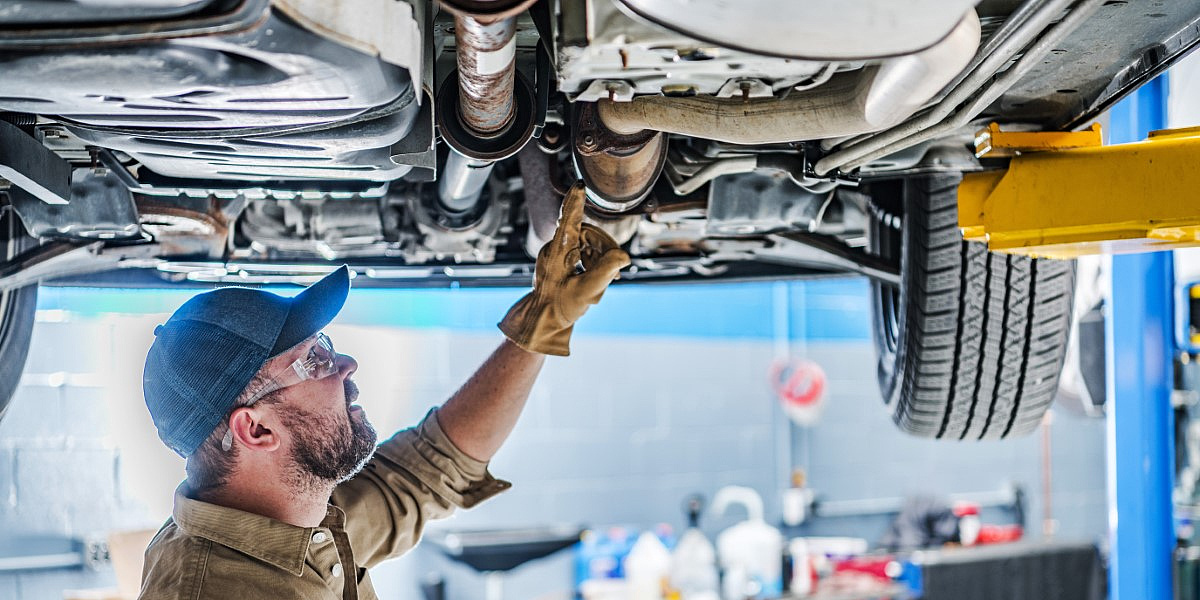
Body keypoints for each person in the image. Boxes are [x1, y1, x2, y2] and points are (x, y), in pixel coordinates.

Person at [137, 183, 629, 599]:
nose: (346, 365)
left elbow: (430, 470)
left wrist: (542, 322)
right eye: (314, 360)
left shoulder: (290, 513)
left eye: (326, 346)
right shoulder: (214, 590)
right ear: (256, 428)